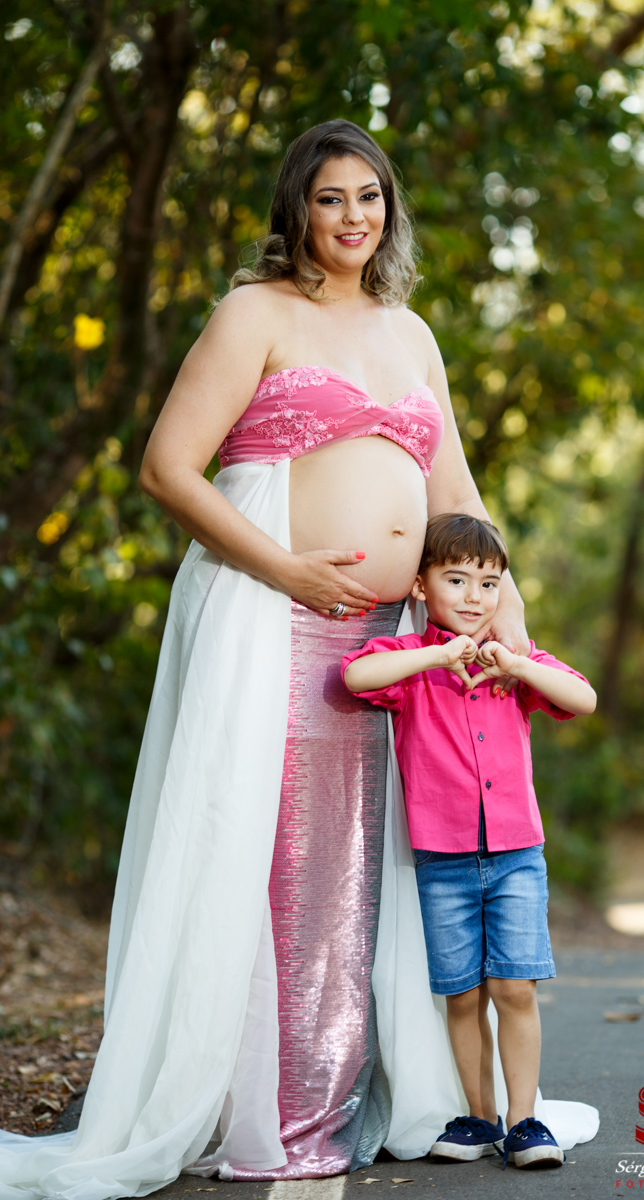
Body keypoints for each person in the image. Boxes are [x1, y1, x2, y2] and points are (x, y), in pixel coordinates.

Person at [0, 120, 597, 1198]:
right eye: (330, 198)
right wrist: (285, 570)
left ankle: (376, 1093)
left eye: (369, 196)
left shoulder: (411, 334)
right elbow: (167, 468)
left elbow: (456, 495)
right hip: (273, 623)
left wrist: (502, 617)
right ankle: (275, 1114)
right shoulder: (253, 314)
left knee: (382, 873)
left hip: (401, 648)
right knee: (282, 867)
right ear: (297, 209)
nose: (352, 216)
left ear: (389, 209)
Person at [343, 513, 597, 1170]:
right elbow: (355, 678)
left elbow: (584, 698)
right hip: (444, 860)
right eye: (455, 579)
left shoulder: (513, 662)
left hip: (516, 858)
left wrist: (518, 663)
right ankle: (479, 1117)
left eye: (489, 583)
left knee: (515, 989)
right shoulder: (412, 664)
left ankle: (524, 1121)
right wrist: (438, 655)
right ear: (421, 585)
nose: (474, 596)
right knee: (462, 995)